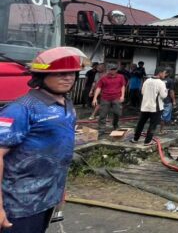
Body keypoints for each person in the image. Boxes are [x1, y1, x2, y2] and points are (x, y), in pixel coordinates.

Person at [0, 47, 86, 232]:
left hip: (46, 198)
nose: (68, 78)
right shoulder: (21, 109)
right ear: (41, 76)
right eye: (60, 73)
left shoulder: (67, 105)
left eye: (72, 73)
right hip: (18, 205)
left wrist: (59, 190)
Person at [131, 68, 168, 145]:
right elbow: (163, 95)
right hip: (155, 108)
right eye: (164, 73)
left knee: (141, 123)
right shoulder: (161, 83)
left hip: (145, 106)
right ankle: (147, 141)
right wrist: (166, 91)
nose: (165, 75)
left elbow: (142, 92)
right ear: (160, 73)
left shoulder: (146, 81)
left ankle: (135, 138)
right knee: (153, 125)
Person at [92, 63, 126, 134]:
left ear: (116, 70)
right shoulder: (103, 78)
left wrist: (122, 96)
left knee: (117, 113)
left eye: (114, 69)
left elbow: (123, 86)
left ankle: (115, 124)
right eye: (111, 69)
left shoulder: (121, 77)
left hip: (116, 97)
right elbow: (99, 88)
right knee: (103, 114)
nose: (113, 71)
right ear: (108, 70)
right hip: (105, 98)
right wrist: (95, 98)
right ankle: (101, 129)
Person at [160, 68, 176, 132]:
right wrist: (174, 100)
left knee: (160, 115)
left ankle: (157, 129)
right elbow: (171, 91)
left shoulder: (159, 80)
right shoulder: (170, 81)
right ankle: (161, 130)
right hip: (167, 100)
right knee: (164, 117)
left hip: (159, 100)